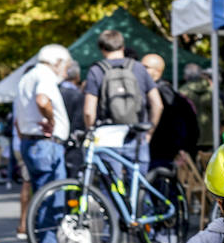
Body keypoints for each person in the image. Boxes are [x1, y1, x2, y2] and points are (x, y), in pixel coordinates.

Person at [16, 44, 73, 243]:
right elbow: (42, 100)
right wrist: (51, 121)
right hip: (45, 144)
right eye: (66, 65)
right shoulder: (45, 76)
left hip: (32, 142)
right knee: (50, 202)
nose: (66, 71)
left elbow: (19, 119)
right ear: (57, 62)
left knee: (42, 200)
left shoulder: (27, 77)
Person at [83, 29, 162, 177]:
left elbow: (89, 111)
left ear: (102, 49)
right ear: (122, 47)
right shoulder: (139, 68)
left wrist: (91, 131)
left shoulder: (96, 70)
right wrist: (149, 131)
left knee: (110, 190)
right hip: (137, 134)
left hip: (107, 136)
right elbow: (158, 104)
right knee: (139, 188)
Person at [141, 52, 199, 172]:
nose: (141, 70)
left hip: (163, 150)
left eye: (145, 67)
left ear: (158, 70)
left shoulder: (163, 90)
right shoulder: (152, 89)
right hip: (155, 149)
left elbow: (178, 119)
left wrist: (180, 147)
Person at [178, 62, 215, 154]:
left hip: (189, 136)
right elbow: (221, 114)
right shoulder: (211, 91)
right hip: (210, 137)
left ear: (187, 76)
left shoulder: (183, 92)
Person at [59, 62, 86, 175]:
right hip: (72, 141)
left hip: (56, 139)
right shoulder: (77, 95)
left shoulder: (56, 91)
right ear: (77, 76)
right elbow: (79, 121)